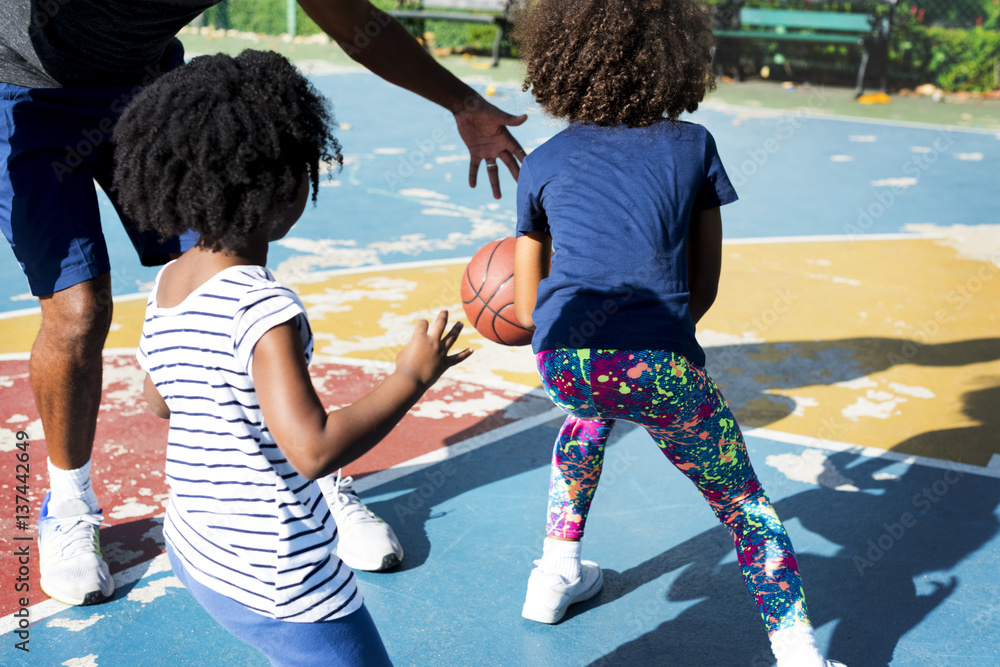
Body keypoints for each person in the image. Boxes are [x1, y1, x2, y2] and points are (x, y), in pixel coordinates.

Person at [0, 0, 525, 606]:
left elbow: (357, 24)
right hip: (25, 93)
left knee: (230, 262)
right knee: (79, 309)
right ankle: (69, 503)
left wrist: (464, 103)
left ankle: (315, 476)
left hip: (145, 84)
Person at [510, 2, 845, 666]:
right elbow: (702, 289)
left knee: (586, 414)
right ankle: (800, 652)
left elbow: (524, 308)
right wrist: (654, 345)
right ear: (678, 54)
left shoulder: (542, 160)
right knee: (746, 506)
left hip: (565, 361)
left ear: (557, 58)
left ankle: (553, 571)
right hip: (660, 361)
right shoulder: (693, 147)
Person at [118, 49, 471, 665]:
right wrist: (411, 376)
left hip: (199, 545)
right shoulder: (263, 306)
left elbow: (157, 399)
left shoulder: (171, 279)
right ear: (284, 187)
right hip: (280, 572)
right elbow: (314, 450)